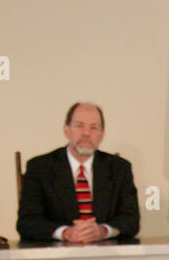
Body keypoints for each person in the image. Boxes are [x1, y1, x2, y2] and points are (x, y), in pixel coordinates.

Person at [16, 102, 141, 242]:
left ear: (102, 134)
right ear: (66, 130)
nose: (86, 133)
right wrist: (66, 233)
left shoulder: (120, 168)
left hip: (107, 257)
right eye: (79, 126)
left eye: (94, 128)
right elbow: (27, 222)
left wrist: (103, 231)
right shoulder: (40, 167)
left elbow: (131, 221)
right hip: (56, 259)